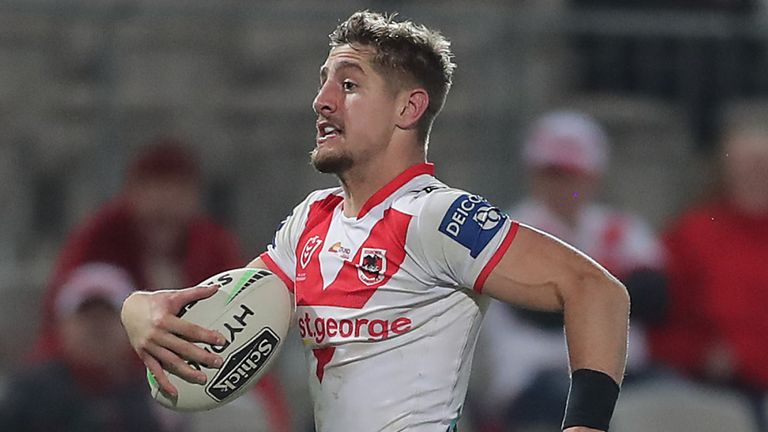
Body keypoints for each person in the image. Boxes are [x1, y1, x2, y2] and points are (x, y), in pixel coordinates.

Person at [120, 11, 630, 432]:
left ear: (408, 108)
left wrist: (583, 428)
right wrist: (139, 310)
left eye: (348, 84)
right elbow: (237, 309)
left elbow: (597, 291)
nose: (322, 100)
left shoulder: (434, 216)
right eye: (323, 83)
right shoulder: (310, 220)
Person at [32, 137, 291, 432]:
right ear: (133, 192)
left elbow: (251, 325)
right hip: (112, 385)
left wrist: (273, 413)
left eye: (176, 190)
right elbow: (61, 329)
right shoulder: (98, 237)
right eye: (155, 188)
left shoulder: (213, 244)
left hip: (199, 379)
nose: (165, 203)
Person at [471, 111, 667, 431]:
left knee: (676, 398)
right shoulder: (508, 229)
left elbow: (656, 297)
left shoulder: (619, 228)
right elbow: (538, 309)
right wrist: (610, 292)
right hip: (534, 377)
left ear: (594, 177)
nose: (562, 186)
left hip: (624, 371)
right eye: (551, 174)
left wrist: (579, 295)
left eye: (572, 175)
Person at [648, 105, 768, 430]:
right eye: (747, 163)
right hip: (715, 387)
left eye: (763, 164)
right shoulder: (691, 234)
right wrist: (701, 355)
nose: (757, 173)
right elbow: (660, 325)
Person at [0, 263, 170, 431]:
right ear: (62, 326)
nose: (97, 327)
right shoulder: (28, 396)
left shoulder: (156, 394)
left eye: (107, 315)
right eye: (86, 316)